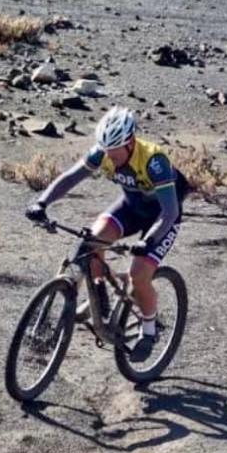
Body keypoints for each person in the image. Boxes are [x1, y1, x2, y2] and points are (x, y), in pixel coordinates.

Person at [24, 105, 188, 360]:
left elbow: (169, 212)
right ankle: (100, 292)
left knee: (139, 274)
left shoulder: (155, 161)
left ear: (130, 142)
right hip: (130, 208)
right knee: (89, 242)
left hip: (162, 217)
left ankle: (149, 330)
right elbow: (70, 178)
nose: (109, 158)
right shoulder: (102, 152)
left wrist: (149, 241)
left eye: (115, 152)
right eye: (106, 151)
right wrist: (42, 202)